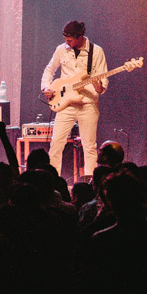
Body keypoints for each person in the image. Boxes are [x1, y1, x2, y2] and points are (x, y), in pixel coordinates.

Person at [41, 20, 108, 178]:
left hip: (88, 104)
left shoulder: (96, 51)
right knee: (56, 143)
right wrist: (46, 87)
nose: (67, 43)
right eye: (65, 39)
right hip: (66, 103)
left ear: (80, 37)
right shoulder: (61, 50)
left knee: (89, 146)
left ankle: (90, 183)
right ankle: (52, 180)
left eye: (70, 40)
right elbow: (49, 70)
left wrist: (98, 86)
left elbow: (102, 85)